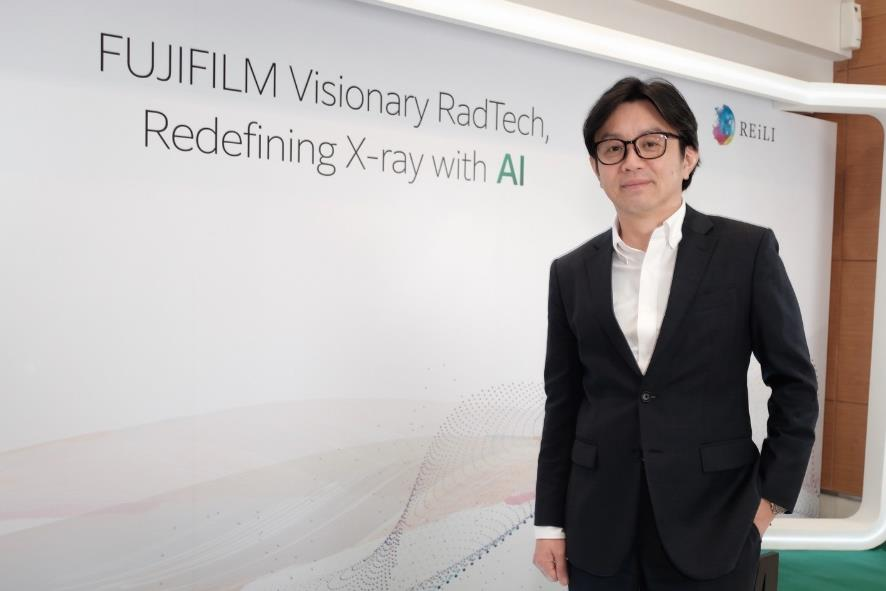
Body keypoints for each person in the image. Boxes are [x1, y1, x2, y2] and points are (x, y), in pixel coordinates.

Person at [531, 77, 819, 590]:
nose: (631, 161)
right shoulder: (570, 272)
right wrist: (550, 524)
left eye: (650, 143)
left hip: (716, 525)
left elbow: (794, 385)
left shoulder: (745, 252)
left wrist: (769, 502)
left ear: (688, 157)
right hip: (599, 528)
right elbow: (564, 405)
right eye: (613, 148)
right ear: (597, 168)